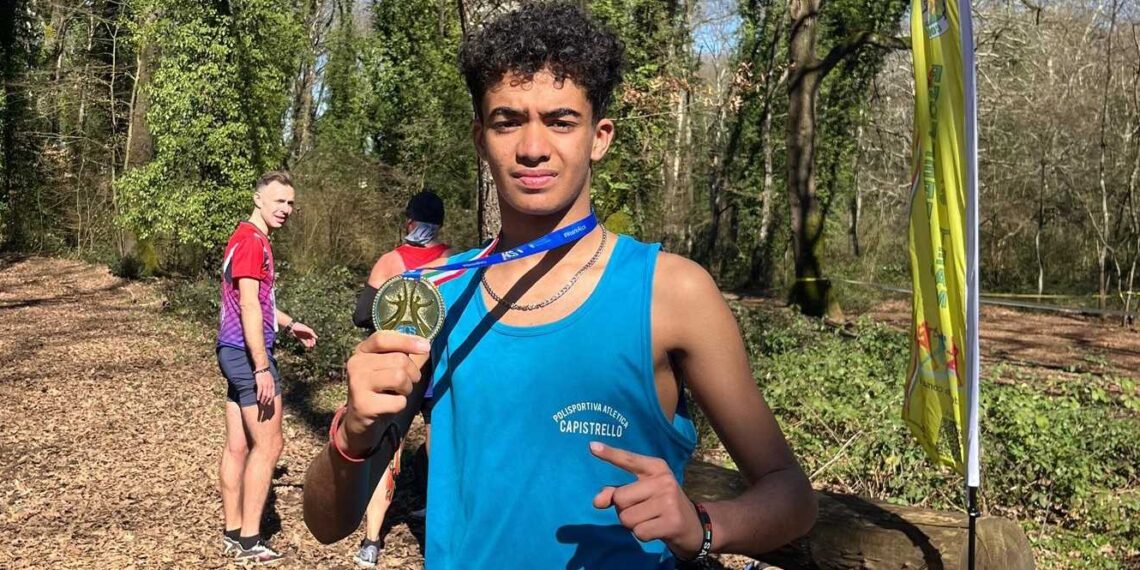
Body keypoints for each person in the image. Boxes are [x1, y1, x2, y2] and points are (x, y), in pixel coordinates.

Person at [303, 3, 817, 568]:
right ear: (480, 138)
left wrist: (703, 525)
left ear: (600, 137)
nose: (532, 147)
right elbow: (327, 524)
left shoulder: (672, 293)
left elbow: (790, 495)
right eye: (507, 121)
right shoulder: (435, 296)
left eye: (561, 121)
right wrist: (352, 435)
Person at [217, 171, 318, 564]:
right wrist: (261, 367)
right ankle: (249, 541)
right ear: (258, 199)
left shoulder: (247, 238)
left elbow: (258, 301)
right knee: (270, 444)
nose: (286, 209)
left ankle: (233, 533)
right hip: (247, 355)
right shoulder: (251, 243)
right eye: (279, 201)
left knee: (239, 445)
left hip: (232, 351)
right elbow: (247, 305)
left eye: (290, 203)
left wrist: (290, 324)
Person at [349, 190, 451, 568]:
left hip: (400, 367)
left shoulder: (391, 260)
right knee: (441, 448)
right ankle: (439, 532)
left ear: (409, 221)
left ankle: (371, 541)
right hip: (440, 366)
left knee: (389, 449)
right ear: (440, 224)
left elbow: (362, 315)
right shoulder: (455, 261)